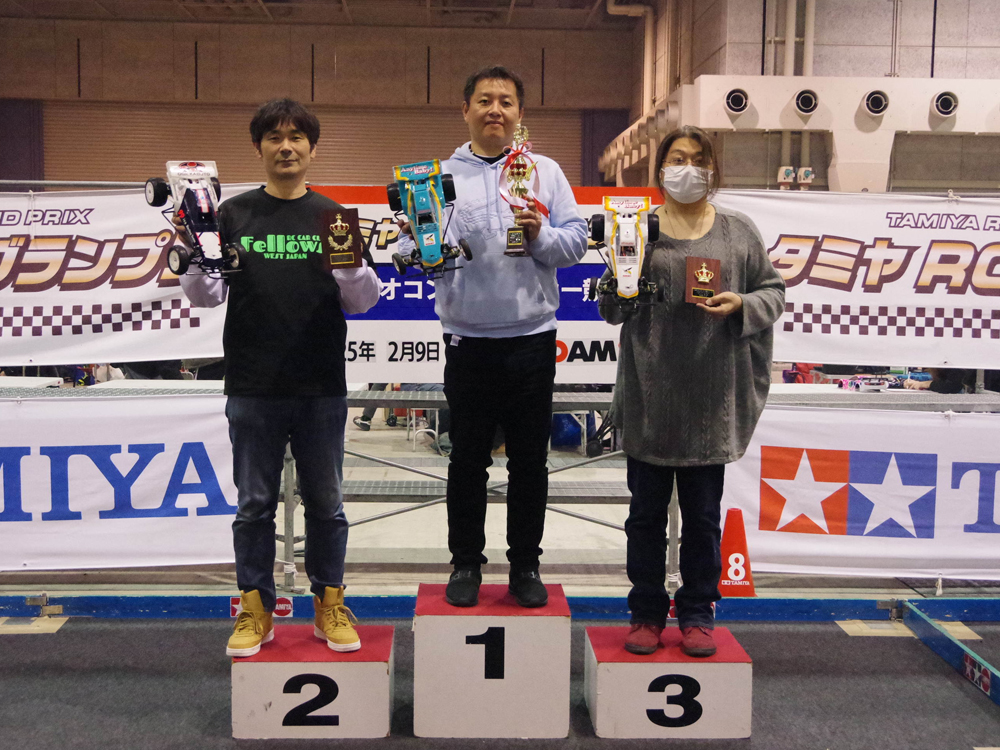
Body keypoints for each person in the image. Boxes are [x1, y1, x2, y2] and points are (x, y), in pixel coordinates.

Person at [176, 99, 380, 657]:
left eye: (296, 137)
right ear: (258, 147)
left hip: (321, 385)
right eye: (274, 137)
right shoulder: (230, 215)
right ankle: (255, 610)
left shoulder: (334, 217)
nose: (285, 146)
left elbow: (363, 302)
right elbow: (206, 296)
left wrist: (351, 268)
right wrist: (192, 254)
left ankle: (329, 604)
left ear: (312, 148)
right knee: (253, 507)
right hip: (252, 384)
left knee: (327, 506)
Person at [397, 66, 588, 608]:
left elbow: (576, 242)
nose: (495, 110)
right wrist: (416, 243)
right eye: (484, 100)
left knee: (530, 461)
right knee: (467, 460)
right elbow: (409, 255)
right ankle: (465, 564)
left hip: (532, 338)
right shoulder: (434, 179)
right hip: (467, 340)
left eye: (506, 101)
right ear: (465, 110)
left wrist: (540, 236)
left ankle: (525, 565)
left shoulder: (545, 172)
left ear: (520, 113)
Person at [599, 126, 784, 657]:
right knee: (644, 519)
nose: (688, 168)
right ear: (660, 169)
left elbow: (773, 291)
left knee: (703, 520)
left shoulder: (737, 232)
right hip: (650, 399)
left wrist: (742, 304)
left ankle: (699, 611)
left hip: (711, 401)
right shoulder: (637, 228)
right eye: (677, 158)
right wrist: (621, 285)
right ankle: (646, 611)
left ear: (712, 169)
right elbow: (610, 310)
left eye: (698, 160)